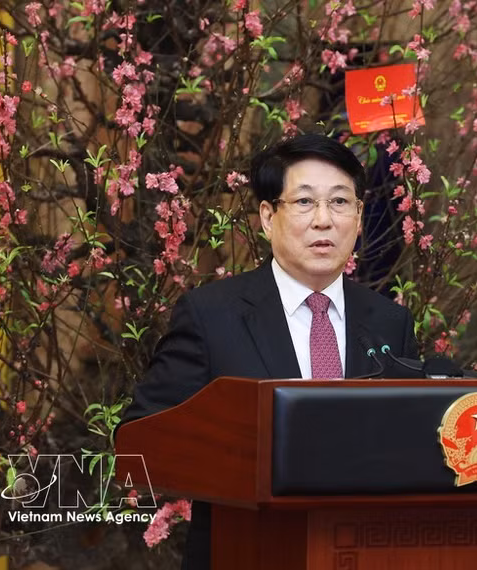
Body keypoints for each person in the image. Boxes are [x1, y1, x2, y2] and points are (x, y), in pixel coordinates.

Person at [118, 133, 419, 568]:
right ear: (266, 216)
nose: (323, 220)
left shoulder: (390, 321)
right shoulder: (211, 316)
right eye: (304, 202)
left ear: (358, 218)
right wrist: (249, 456)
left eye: (339, 202)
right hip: (245, 551)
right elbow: (139, 443)